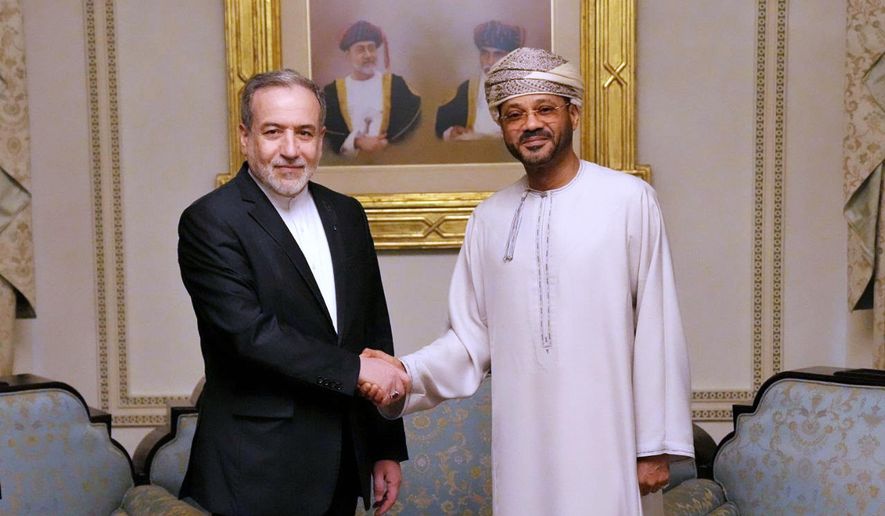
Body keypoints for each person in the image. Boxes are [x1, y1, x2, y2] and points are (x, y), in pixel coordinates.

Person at [361, 48, 693, 515]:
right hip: (524, 449)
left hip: (609, 441)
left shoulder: (628, 201)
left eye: (544, 109)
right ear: (502, 126)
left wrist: (655, 444)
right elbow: (468, 341)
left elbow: (658, 326)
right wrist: (404, 372)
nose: (530, 124)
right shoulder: (488, 218)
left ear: (573, 114)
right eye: (514, 114)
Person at [177, 69, 410, 516]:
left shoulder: (347, 213)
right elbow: (248, 335)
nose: (290, 149)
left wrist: (384, 447)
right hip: (255, 469)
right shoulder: (210, 221)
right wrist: (356, 369)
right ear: (245, 136)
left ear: (321, 138)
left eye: (304, 133)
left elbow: (373, 330)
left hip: (344, 462)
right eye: (273, 132)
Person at [323, 20, 421, 157]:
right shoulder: (332, 93)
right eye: (360, 50)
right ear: (348, 55)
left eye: (371, 48)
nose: (368, 55)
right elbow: (326, 136)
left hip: (390, 162)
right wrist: (356, 142)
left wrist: (387, 143)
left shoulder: (396, 86)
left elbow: (413, 126)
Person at [435, 20, 524, 141]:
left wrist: (480, 138)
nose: (489, 61)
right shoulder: (467, 88)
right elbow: (440, 126)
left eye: (498, 54)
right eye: (485, 53)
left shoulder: (524, 89)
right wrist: (451, 132)